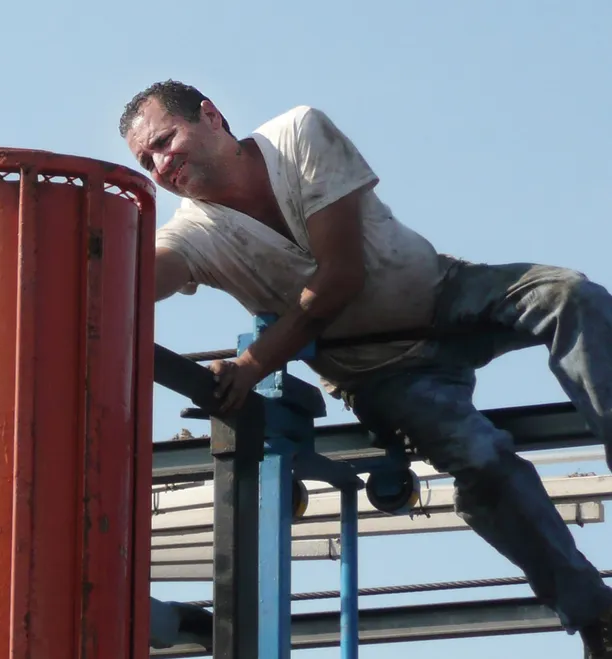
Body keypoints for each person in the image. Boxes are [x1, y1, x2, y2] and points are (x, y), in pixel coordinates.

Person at [119, 79, 612, 656]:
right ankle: (596, 615)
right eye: (145, 159)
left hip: (445, 296)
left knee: (570, 295)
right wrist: (90, 270)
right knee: (479, 458)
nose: (159, 164)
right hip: (378, 372)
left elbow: (341, 277)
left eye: (164, 141)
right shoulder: (195, 233)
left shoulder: (298, 135)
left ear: (210, 115)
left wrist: (254, 363)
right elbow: (139, 275)